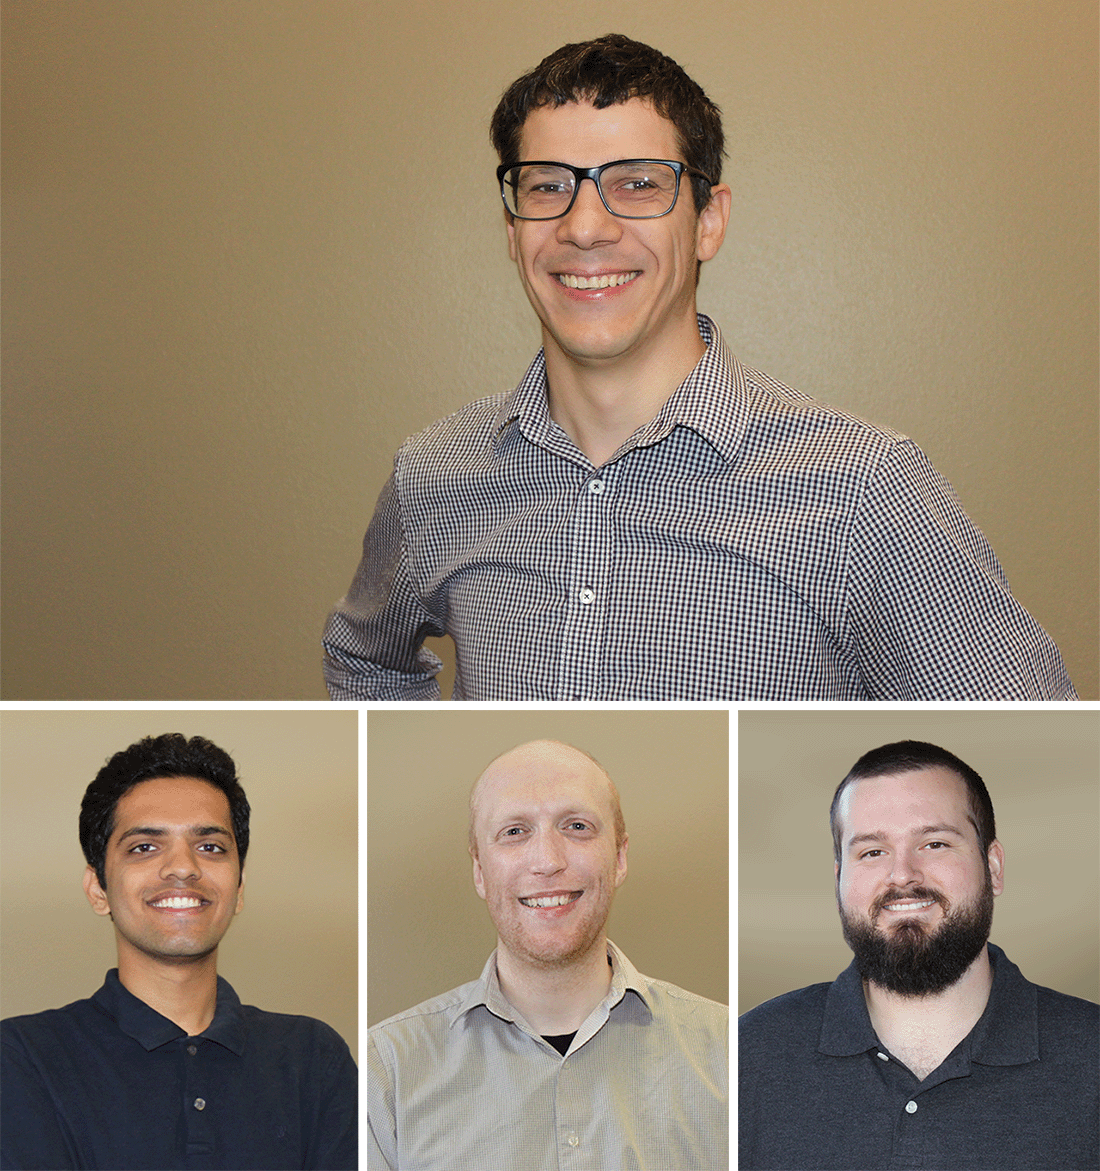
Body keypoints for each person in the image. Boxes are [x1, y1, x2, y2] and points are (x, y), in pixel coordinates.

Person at [322, 32, 1075, 702]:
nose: (585, 226)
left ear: (708, 219)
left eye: (638, 183)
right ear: (513, 228)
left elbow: (1040, 754)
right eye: (547, 186)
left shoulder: (863, 492)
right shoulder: (432, 478)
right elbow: (364, 661)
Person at [1, 733, 357, 1171]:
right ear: (99, 889)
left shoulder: (312, 1058)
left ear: (239, 888)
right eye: (144, 847)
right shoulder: (23, 1056)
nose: (183, 867)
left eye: (210, 847)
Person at [367, 739, 728, 1170]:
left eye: (576, 827)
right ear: (479, 871)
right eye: (515, 832)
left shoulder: (728, 1053)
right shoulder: (387, 1070)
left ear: (619, 857)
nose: (547, 861)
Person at [738, 740, 1099, 1171]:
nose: (903, 875)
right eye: (873, 852)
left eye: (935, 844)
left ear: (994, 868)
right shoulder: (749, 1055)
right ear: (839, 881)